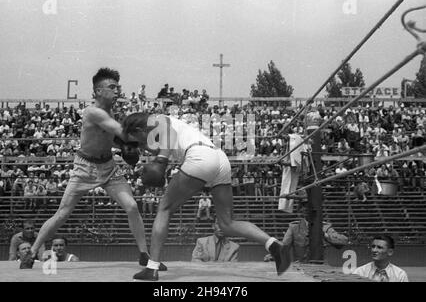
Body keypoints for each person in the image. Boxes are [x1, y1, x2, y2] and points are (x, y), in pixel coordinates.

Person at [20, 68, 166, 271]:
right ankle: (32, 252)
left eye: (118, 87)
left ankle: (144, 254)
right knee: (62, 214)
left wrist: (130, 147)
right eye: (112, 87)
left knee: (132, 206)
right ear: (98, 91)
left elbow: (111, 140)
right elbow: (122, 134)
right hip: (84, 168)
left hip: (108, 166)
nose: (117, 91)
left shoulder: (110, 112)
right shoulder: (93, 112)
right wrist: (155, 147)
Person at [122, 112, 291, 281]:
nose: (141, 145)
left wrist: (160, 161)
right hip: (219, 159)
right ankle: (274, 245)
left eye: (138, 140)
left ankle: (152, 267)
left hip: (199, 157)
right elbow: (161, 142)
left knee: (164, 208)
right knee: (227, 224)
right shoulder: (164, 133)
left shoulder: (157, 119)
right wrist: (139, 150)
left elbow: (167, 132)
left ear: (139, 129)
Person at [265, 200, 348, 263]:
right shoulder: (294, 227)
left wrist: (325, 235)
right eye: (303, 206)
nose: (305, 209)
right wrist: (274, 255)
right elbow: (284, 247)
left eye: (308, 206)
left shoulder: (325, 227)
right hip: (300, 268)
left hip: (320, 268)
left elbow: (342, 241)